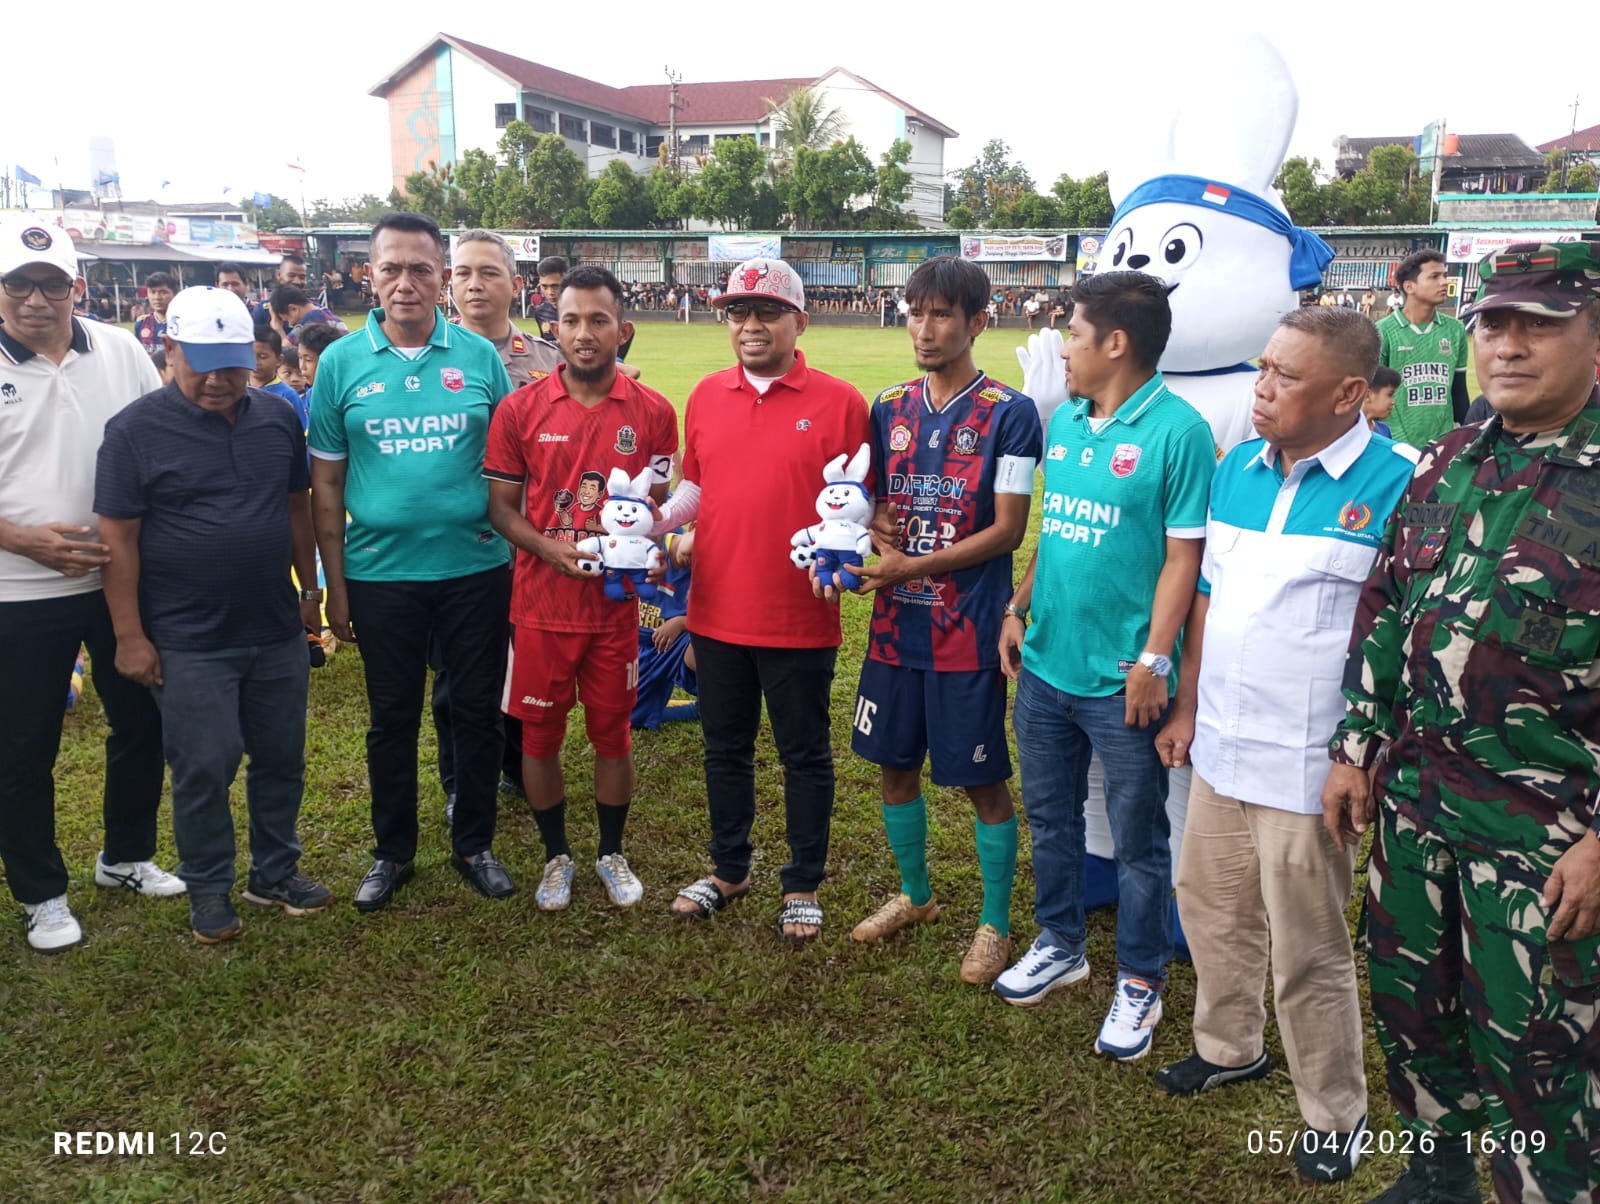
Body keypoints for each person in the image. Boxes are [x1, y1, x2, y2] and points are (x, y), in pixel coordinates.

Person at [1324, 241, 1600, 1204]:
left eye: (1540, 326)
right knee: (1414, 1009)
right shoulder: (1450, 454)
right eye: (1494, 323)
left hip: (1545, 840)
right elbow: (1388, 603)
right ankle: (1438, 1172)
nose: (1509, 345)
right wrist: (1357, 746)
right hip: (1417, 807)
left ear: (1593, 340)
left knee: (1540, 1057)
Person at [1151, 307, 1419, 1183]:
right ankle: (1229, 1046)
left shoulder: (1401, 485)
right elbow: (1210, 603)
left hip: (1312, 766)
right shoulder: (1237, 468)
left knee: (1309, 946)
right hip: (1221, 743)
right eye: (1262, 367)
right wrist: (1187, 709)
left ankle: (1335, 1113)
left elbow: (1403, 643)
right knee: (1212, 907)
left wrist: (1360, 755)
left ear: (1349, 393)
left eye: (1283, 376)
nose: (1261, 388)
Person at [996, 271, 1215, 1060]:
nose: (1064, 351)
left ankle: (1141, 980)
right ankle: (1060, 942)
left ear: (1116, 344)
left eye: (1075, 337)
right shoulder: (1066, 425)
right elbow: (1058, 533)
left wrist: (1155, 659)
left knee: (1138, 838)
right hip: (1048, 666)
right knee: (1051, 817)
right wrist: (1019, 608)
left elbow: (1184, 559)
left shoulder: (1179, 433)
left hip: (1125, 676)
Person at [95, 287, 331, 944]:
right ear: (168, 350)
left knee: (282, 757)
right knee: (205, 765)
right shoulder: (133, 433)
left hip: (274, 627)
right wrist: (129, 635)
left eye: (235, 364)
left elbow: (295, 509)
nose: (223, 381)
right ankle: (208, 886)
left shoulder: (276, 418)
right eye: (204, 365)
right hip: (188, 638)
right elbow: (118, 540)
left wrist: (307, 594)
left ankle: (274, 873)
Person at [308, 212, 517, 911]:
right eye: (391, 268)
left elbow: (511, 469)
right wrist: (334, 589)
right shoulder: (340, 363)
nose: (406, 283)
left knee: (478, 713)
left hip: (475, 568)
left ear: (441, 278)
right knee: (391, 717)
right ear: (369, 274)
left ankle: (474, 843)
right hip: (380, 575)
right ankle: (392, 852)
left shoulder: (479, 357)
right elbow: (328, 486)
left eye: (421, 269)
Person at [846, 255, 1043, 985]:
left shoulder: (1009, 414)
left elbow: (1009, 530)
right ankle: (917, 896)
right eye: (913, 312)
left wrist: (910, 567)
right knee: (895, 769)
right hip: (897, 631)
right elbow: (871, 501)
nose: (923, 330)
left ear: (977, 323)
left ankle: (993, 922)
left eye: (939, 315)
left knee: (980, 781)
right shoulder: (887, 407)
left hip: (968, 630)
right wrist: (874, 531)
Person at [662, 258, 871, 940]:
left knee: (803, 754)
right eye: (737, 313)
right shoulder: (705, 395)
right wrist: (656, 522)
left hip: (799, 614)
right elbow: (696, 488)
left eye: (766, 312)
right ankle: (729, 869)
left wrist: (854, 552)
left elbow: (859, 509)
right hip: (718, 610)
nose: (750, 325)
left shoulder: (840, 403)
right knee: (725, 748)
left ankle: (802, 880)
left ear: (799, 321)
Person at [0, 220, 180, 952]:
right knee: (23, 746)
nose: (35, 300)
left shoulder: (118, 348)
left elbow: (157, 437)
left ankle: (126, 855)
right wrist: (20, 538)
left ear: (77, 286)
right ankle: (42, 892)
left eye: (51, 283)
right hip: (17, 590)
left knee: (142, 724)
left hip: (121, 582)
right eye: (19, 283)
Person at [484, 266, 677, 910]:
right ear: (553, 327)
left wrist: (651, 552)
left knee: (612, 737)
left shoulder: (653, 413)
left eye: (598, 320)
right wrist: (550, 549)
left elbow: (655, 504)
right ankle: (555, 856)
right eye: (571, 320)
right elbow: (502, 510)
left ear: (623, 331)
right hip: (540, 607)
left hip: (613, 612)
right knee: (538, 739)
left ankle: (610, 853)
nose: (584, 333)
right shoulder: (519, 409)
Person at [430, 230, 561, 824]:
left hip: (534, 543)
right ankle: (460, 777)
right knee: (459, 668)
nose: (474, 283)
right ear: (447, 284)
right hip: (459, 542)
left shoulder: (544, 359)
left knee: (524, 658)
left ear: (516, 283)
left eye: (488, 271)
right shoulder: (429, 358)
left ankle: (514, 762)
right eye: (461, 273)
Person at [1377, 249, 1469, 448]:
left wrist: (1468, 436)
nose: (1444, 282)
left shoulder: (1455, 329)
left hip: (1443, 445)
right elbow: (1374, 395)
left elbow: (1459, 391)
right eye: (1434, 277)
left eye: (1444, 275)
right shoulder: (1383, 332)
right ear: (1409, 286)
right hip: (1396, 445)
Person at [632, 523, 698, 730]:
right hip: (640, 646)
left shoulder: (708, 570)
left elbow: (722, 616)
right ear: (693, 526)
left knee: (710, 645)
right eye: (700, 547)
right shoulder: (651, 545)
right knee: (631, 718)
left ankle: (710, 704)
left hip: (677, 644)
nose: (696, 558)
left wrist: (681, 623)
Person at [251, 324, 309, 429]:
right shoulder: (239, 389)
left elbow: (301, 431)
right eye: (250, 355)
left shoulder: (287, 395)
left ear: (279, 360)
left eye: (263, 357)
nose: (256, 362)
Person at [270, 285, 347, 345]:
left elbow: (285, 349)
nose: (290, 324)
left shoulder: (311, 321)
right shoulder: (321, 310)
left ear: (293, 309)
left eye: (288, 319)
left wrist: (278, 329)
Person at [252, 254, 308, 329]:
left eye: (302, 277)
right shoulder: (263, 311)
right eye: (291, 275)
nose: (297, 281)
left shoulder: (314, 310)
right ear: (278, 275)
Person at [133, 272, 175, 356]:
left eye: (163, 292)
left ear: (174, 294)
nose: (157, 297)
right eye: (152, 292)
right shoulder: (141, 324)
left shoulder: (182, 323)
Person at [533, 255, 566, 340]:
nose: (550, 292)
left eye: (555, 286)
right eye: (544, 286)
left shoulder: (581, 309)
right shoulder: (540, 312)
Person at [1364, 364, 1400, 438]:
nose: (1393, 402)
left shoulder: (1384, 430)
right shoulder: (1345, 430)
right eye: (1389, 394)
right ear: (1368, 395)